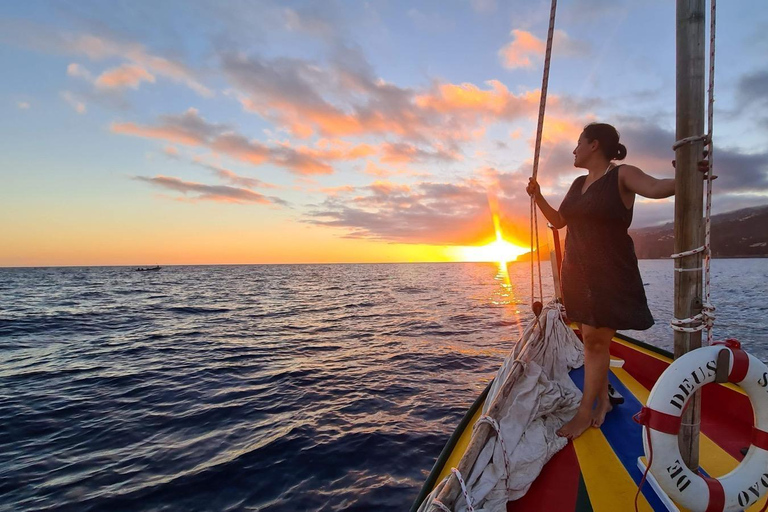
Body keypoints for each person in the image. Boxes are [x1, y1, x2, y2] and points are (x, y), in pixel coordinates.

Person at [526, 122, 677, 440]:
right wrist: (538, 197)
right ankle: (604, 400)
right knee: (593, 341)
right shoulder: (578, 183)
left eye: (578, 142)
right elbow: (559, 221)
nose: (574, 149)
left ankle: (586, 412)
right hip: (578, 272)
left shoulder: (622, 175)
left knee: (595, 343)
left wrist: (687, 174)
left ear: (594, 145)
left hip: (611, 272)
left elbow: (657, 188)